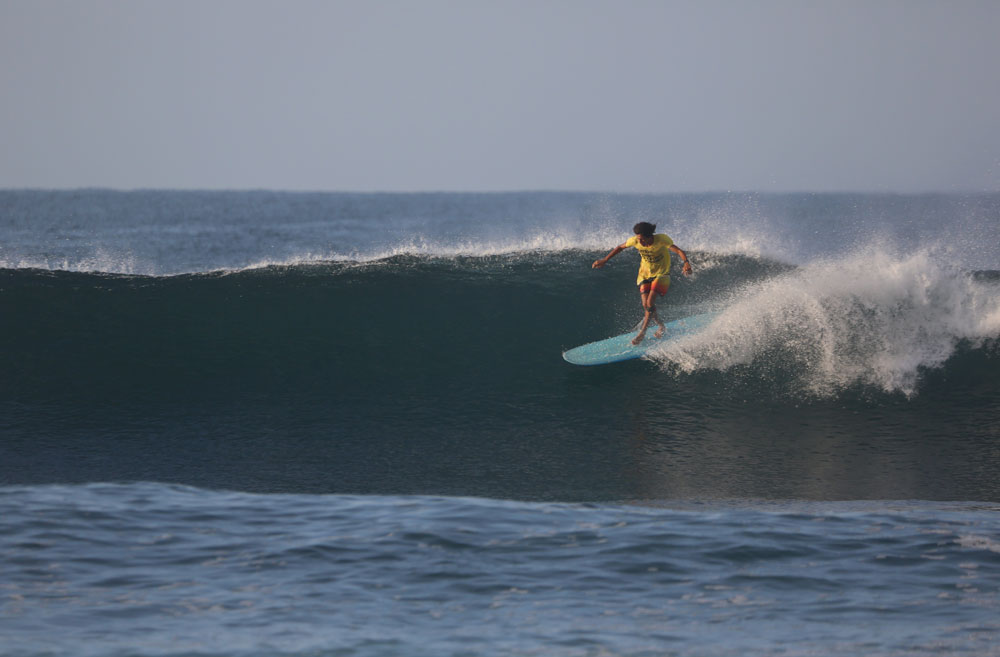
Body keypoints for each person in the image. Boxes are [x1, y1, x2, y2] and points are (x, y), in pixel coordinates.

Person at [592, 222, 693, 345]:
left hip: (662, 274)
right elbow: (620, 247)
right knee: (646, 305)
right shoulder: (635, 241)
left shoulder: (661, 240)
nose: (639, 242)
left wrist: (686, 262)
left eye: (642, 239)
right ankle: (661, 326)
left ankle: (642, 333)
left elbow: (678, 250)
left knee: (650, 303)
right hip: (644, 274)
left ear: (649, 236)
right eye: (638, 239)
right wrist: (605, 259)